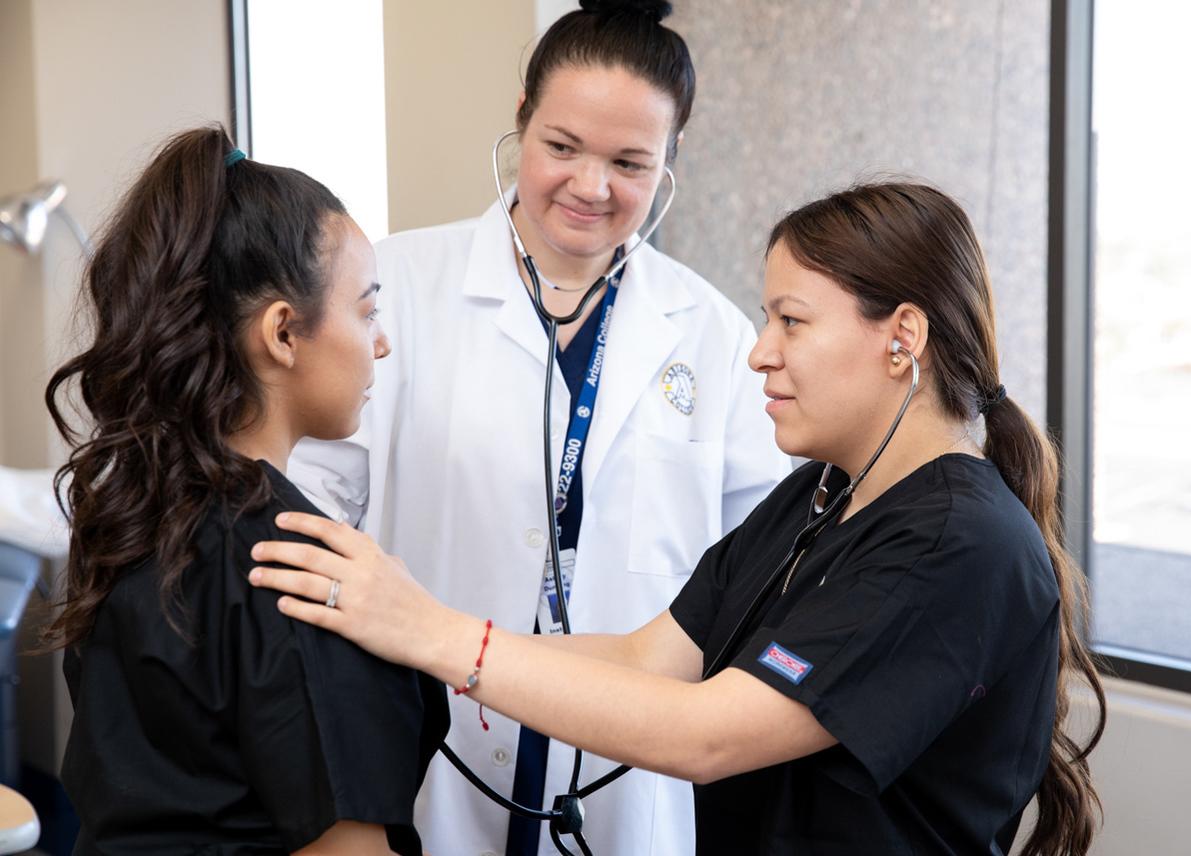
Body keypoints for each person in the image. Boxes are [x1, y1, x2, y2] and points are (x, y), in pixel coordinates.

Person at [253, 182, 1108, 855]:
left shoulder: (956, 544)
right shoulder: (820, 495)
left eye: (791, 321)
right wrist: (405, 638)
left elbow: (704, 734)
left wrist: (438, 636)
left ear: (902, 336)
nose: (757, 350)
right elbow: (649, 657)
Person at [286, 2, 789, 853]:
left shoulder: (712, 334)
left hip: (624, 767)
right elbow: (308, 504)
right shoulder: (396, 287)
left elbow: (756, 567)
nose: (591, 187)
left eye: (630, 162)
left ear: (670, 163)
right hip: (427, 741)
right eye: (561, 148)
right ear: (520, 119)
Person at [43, 127, 448, 855]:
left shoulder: (137, 513)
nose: (379, 342)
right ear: (284, 333)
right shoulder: (305, 576)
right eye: (366, 309)